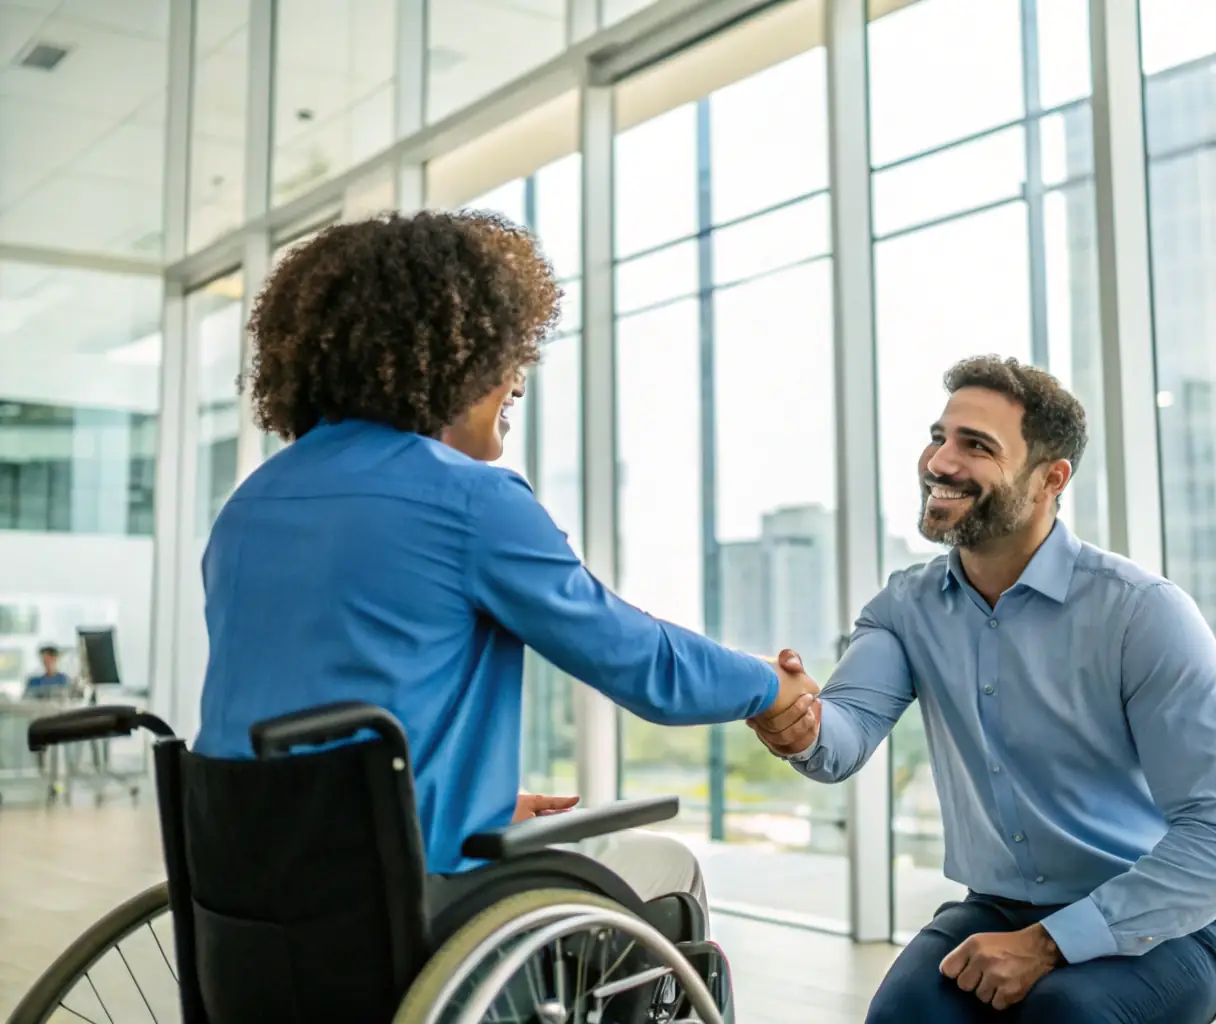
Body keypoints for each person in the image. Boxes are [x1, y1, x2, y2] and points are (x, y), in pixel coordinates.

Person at [192, 210, 818, 931]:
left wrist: (462, 797)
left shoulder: (250, 504)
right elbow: (643, 665)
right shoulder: (467, 498)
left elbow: (311, 701)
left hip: (247, 887)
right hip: (398, 888)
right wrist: (771, 685)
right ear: (457, 351)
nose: (518, 373)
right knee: (666, 866)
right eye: (510, 350)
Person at [747, 356, 1216, 1023]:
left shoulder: (1141, 612)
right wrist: (795, 719)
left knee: (1064, 1015)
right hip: (995, 907)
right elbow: (842, 733)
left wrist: (1050, 943)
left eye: (976, 446)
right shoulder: (905, 606)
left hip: (1163, 923)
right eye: (939, 436)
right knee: (902, 1016)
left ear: (1050, 479)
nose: (939, 462)